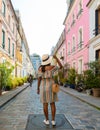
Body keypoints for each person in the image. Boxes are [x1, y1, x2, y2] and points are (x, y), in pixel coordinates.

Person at [37, 54, 62, 126]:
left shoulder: (40, 69)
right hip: (51, 86)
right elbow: (61, 66)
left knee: (45, 104)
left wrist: (38, 88)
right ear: (49, 60)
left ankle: (47, 120)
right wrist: (56, 58)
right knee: (52, 103)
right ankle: (53, 120)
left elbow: (39, 79)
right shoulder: (52, 67)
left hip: (43, 86)